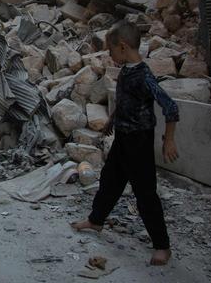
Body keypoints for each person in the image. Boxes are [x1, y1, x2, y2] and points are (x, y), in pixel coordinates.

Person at [71, 21, 179, 266]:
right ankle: (96, 220)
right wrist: (111, 119)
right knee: (110, 181)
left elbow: (171, 108)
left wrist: (169, 140)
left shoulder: (144, 75)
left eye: (110, 50)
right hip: (122, 137)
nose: (109, 55)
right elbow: (124, 100)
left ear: (122, 47)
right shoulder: (127, 71)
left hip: (139, 141)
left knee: (145, 193)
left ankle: (162, 246)